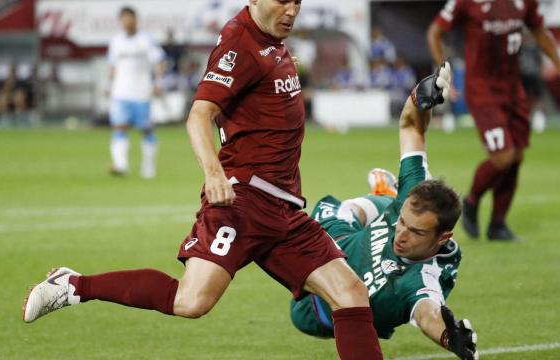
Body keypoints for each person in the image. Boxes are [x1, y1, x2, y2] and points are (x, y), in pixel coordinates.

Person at [22, 2, 451, 358]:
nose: (292, 10)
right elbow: (198, 116)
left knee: (351, 293)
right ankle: (74, 285)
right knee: (190, 303)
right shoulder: (239, 43)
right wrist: (214, 175)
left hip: (284, 209)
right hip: (242, 204)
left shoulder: (275, 43)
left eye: (298, 1)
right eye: (283, 0)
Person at [290, 63, 478, 360]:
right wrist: (421, 95)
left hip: (317, 310)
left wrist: (448, 337)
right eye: (403, 224)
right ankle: (385, 198)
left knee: (361, 211)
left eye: (416, 232)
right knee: (342, 211)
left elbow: (428, 312)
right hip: (336, 240)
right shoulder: (416, 195)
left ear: (443, 238)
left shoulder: (423, 277)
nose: (401, 236)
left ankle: (384, 198)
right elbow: (411, 126)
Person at [427, 0, 560, 241]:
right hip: (482, 92)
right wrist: (443, 72)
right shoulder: (466, 2)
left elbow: (538, 30)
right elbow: (435, 32)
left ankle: (498, 225)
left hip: (514, 91)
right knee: (504, 156)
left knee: (516, 157)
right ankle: (471, 200)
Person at [106, 6, 166, 179]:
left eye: (129, 18)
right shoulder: (116, 41)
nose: (126, 21)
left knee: (146, 130)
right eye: (123, 18)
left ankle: (148, 167)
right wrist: (108, 85)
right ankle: (121, 165)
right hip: (120, 92)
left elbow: (160, 62)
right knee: (119, 127)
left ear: (135, 19)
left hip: (141, 92)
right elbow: (111, 66)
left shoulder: (145, 40)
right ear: (119, 21)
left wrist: (158, 82)